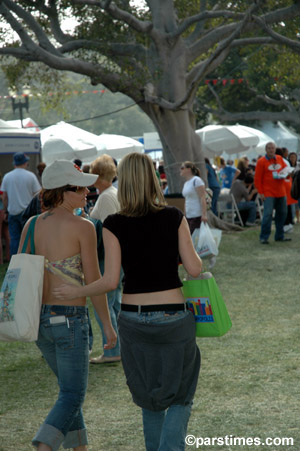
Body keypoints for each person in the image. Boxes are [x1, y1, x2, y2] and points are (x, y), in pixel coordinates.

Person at [53, 153, 202, 451]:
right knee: (181, 395)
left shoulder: (113, 224)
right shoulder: (173, 216)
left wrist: (76, 291)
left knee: (149, 397)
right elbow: (195, 269)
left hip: (133, 319)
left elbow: (110, 282)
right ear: (152, 179)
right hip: (173, 316)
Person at [18, 159, 116, 451]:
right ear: (61, 191)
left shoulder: (31, 224)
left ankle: (79, 448)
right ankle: (44, 445)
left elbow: (20, 272)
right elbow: (95, 281)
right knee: (73, 394)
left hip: (39, 323)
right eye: (80, 188)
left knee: (68, 392)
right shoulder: (83, 227)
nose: (87, 192)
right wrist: (108, 327)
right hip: (70, 319)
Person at [89, 154, 122, 364]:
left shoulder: (106, 196)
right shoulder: (112, 194)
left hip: (109, 258)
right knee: (114, 303)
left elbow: (112, 229)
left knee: (105, 304)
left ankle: (112, 350)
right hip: (115, 258)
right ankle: (118, 347)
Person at [1, 152, 41, 256]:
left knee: (14, 239)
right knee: (29, 238)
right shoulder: (31, 176)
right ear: (25, 162)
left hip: (13, 212)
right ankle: (29, 261)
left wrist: (5, 210)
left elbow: (4, 196)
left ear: (15, 163)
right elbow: (37, 194)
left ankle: (16, 263)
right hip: (28, 213)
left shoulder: (7, 176)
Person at [254, 142, 290, 244]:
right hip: (268, 193)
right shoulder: (261, 162)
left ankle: (279, 235)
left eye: (273, 148)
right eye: (269, 148)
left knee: (282, 213)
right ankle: (264, 237)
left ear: (275, 149)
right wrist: (261, 192)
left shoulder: (279, 158)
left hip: (281, 192)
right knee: (268, 215)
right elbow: (257, 179)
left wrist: (287, 174)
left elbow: (284, 171)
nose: (271, 150)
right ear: (266, 150)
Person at [181, 161, 208, 235]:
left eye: (182, 168)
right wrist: (185, 215)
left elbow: (202, 197)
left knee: (193, 238)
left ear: (189, 169)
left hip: (197, 215)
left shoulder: (197, 180)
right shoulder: (186, 183)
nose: (181, 170)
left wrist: (204, 214)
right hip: (189, 215)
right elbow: (186, 200)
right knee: (191, 238)